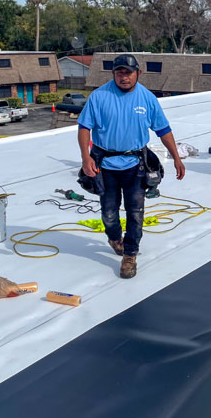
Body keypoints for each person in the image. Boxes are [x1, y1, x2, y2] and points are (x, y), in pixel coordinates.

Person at [78, 54, 185, 279]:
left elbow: (163, 130)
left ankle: (130, 254)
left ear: (138, 73)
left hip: (135, 165)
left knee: (135, 213)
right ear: (113, 74)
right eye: (119, 73)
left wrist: (176, 157)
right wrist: (86, 157)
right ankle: (114, 237)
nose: (124, 77)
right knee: (108, 213)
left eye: (128, 73)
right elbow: (84, 127)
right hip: (105, 165)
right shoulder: (99, 96)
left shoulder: (147, 99)